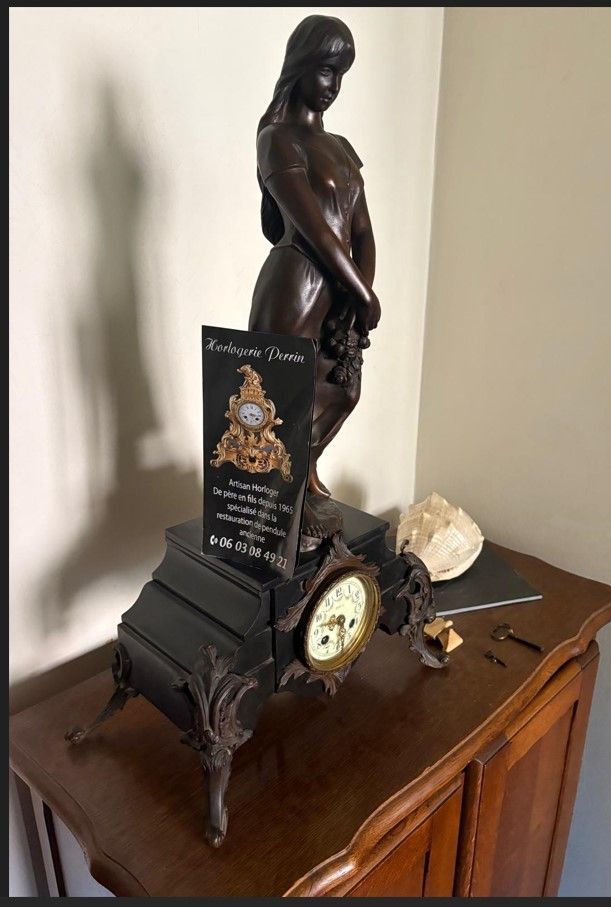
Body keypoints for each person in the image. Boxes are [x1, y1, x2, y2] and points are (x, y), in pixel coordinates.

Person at [249, 15, 381, 547]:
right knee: (288, 396)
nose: (333, 86)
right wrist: (362, 290)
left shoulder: (342, 147)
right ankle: (282, 498)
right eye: (326, 70)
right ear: (301, 67)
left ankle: (300, 477)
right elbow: (311, 227)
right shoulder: (277, 140)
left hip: (339, 290)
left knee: (343, 388)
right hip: (296, 286)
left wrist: (359, 289)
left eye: (341, 74)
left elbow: (362, 230)